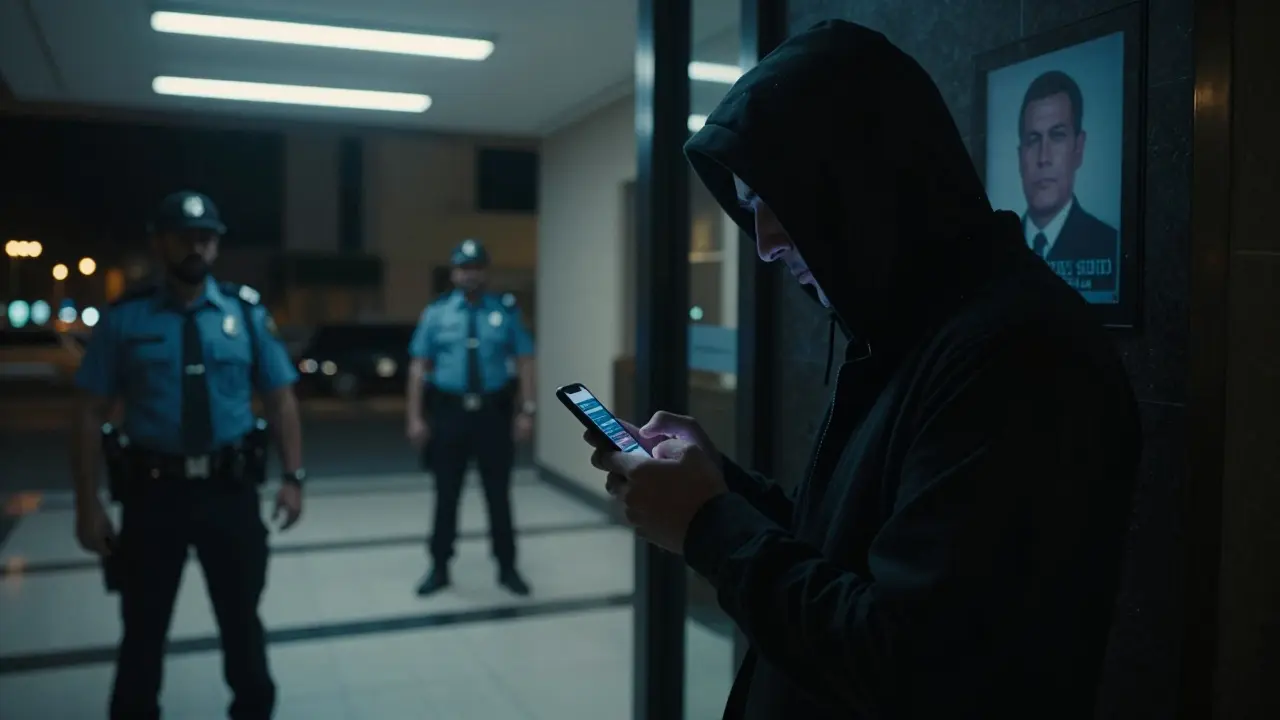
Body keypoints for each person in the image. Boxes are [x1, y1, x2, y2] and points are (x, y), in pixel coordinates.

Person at [583, 21, 1140, 720]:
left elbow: (910, 665)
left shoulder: (1020, 355)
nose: (765, 243)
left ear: (861, 182)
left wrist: (708, 525)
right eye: (751, 209)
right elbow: (844, 553)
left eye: (778, 201)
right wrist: (721, 487)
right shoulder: (910, 330)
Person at [71, 191, 306, 720]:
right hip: (153, 498)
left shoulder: (245, 314)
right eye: (184, 237)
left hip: (230, 493)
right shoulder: (126, 318)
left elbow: (281, 400)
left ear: (217, 246)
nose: (196, 247)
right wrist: (87, 504)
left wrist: (294, 477)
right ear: (160, 244)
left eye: (205, 238)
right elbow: (87, 413)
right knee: (143, 629)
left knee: (242, 623)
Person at [406, 238, 536, 597]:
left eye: (476, 268)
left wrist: (527, 410)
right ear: (453, 273)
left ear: (485, 272)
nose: (470, 275)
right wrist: (415, 417)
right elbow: (418, 367)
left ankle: (507, 567)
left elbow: (525, 360)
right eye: (464, 268)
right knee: (446, 494)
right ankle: (439, 566)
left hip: (494, 414)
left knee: (499, 496)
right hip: (449, 414)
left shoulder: (505, 312)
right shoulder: (436, 314)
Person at [1018, 69, 1119, 293]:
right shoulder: (995, 251)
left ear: (1078, 149)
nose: (1043, 158)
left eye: (1057, 136)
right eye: (1033, 140)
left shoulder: (1111, 246)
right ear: (1019, 157)